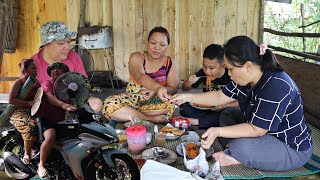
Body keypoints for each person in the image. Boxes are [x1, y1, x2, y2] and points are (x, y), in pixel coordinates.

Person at [170, 36, 313, 171]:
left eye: (231, 69)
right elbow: (219, 96)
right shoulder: (245, 78)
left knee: (241, 147)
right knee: (228, 114)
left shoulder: (276, 85)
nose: (229, 74)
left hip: (289, 146)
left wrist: (218, 131)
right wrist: (186, 97)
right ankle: (238, 148)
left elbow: (257, 129)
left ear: (248, 66)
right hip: (261, 132)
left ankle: (237, 152)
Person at [102, 26, 179, 123]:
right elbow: (140, 76)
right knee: (109, 104)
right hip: (132, 100)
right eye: (153, 43)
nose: (157, 47)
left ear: (167, 46)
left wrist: (156, 92)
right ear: (148, 42)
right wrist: (158, 88)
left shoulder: (170, 62)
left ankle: (130, 115)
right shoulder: (137, 57)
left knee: (170, 104)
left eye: (162, 44)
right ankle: (150, 119)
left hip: (154, 101)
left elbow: (173, 88)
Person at [32, 21, 102, 113]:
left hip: (72, 102)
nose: (67, 47)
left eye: (68, 42)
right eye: (61, 43)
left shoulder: (74, 57)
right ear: (46, 44)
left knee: (96, 103)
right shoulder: (32, 65)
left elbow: (83, 87)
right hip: (46, 107)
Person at [179, 44, 238, 128]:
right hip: (205, 108)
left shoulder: (230, 76)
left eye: (211, 68)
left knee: (227, 114)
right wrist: (189, 81)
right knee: (185, 108)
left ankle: (197, 122)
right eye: (204, 66)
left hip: (221, 109)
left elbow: (240, 102)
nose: (207, 71)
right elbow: (185, 88)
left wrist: (224, 106)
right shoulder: (202, 73)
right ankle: (206, 122)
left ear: (223, 66)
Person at [37, 62, 77, 178]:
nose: (55, 71)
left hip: (59, 120)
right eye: (53, 69)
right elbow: (50, 97)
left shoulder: (67, 87)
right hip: (45, 118)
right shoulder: (47, 84)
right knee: (51, 137)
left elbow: (75, 99)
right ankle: (41, 165)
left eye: (59, 69)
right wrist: (62, 105)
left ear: (65, 74)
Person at [9, 59, 40, 165]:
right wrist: (28, 103)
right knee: (31, 126)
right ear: (25, 70)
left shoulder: (36, 82)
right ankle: (27, 155)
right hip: (19, 112)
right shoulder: (19, 82)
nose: (36, 70)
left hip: (34, 110)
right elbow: (11, 100)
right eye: (33, 68)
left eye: (36, 68)